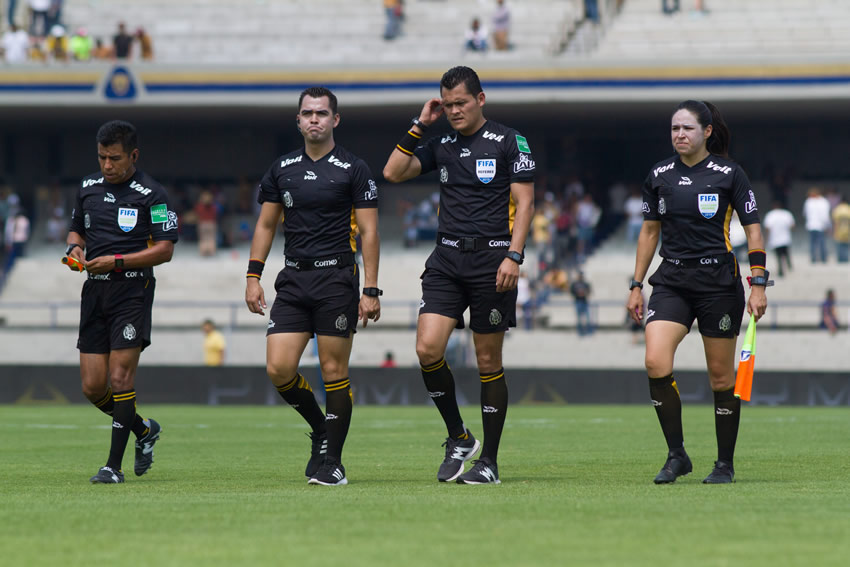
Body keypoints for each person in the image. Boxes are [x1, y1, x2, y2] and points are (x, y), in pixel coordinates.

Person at [383, 66, 535, 484]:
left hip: (493, 262)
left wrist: (514, 255)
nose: (453, 111)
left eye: (461, 103)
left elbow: (525, 203)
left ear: (480, 99)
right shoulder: (442, 143)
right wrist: (419, 124)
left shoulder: (509, 140)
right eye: (447, 105)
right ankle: (458, 436)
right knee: (427, 349)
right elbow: (393, 173)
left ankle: (490, 461)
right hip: (446, 261)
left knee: (488, 359)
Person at [627, 100, 768, 485]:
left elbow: (753, 229)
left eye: (687, 128)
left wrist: (758, 282)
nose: (679, 135)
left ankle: (724, 464)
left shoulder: (730, 174)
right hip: (671, 281)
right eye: (674, 129)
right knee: (655, 362)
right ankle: (677, 455)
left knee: (722, 379)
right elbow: (649, 232)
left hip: (718, 284)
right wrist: (636, 284)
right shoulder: (658, 174)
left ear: (707, 132)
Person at [245, 86, 381, 486]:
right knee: (279, 368)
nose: (315, 119)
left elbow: (370, 232)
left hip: (337, 279)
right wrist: (253, 276)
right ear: (298, 120)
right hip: (293, 278)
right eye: (308, 113)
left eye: (322, 113)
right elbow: (266, 225)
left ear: (335, 120)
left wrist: (370, 289)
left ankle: (334, 462)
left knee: (333, 370)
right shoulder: (281, 168)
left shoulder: (354, 168)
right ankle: (321, 428)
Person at [65, 120, 179, 483]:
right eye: (101, 158)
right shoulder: (87, 188)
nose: (107, 166)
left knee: (119, 377)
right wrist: (75, 247)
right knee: (92, 386)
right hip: (94, 290)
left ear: (133, 155)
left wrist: (116, 261)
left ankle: (112, 467)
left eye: (114, 158)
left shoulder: (153, 194)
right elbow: (76, 228)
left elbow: (165, 249)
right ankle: (143, 429)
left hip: (132, 289)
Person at [762, 200, 795, 276]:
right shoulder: (786, 214)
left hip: (775, 239)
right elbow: (792, 226)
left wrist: (767, 238)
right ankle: (789, 265)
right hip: (785, 238)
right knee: (786, 252)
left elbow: (767, 228)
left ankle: (781, 270)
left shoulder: (770, 215)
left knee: (778, 255)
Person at [802, 187, 831, 264]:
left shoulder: (809, 202)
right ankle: (822, 258)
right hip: (818, 225)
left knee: (814, 243)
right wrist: (827, 224)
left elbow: (805, 213)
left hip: (814, 224)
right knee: (821, 242)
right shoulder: (823, 202)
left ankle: (814, 258)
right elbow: (825, 215)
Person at [569, 271, 593, 336]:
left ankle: (589, 331)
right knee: (579, 318)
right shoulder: (575, 284)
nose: (580, 277)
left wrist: (585, 293)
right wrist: (577, 294)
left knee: (587, 318)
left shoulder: (585, 284)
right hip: (578, 302)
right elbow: (571, 291)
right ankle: (580, 332)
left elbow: (589, 291)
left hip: (584, 302)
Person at [831, 195, 850, 263]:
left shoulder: (837, 209)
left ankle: (840, 259)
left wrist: (834, 231)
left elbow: (835, 222)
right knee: (846, 245)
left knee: (839, 245)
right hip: (847, 229)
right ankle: (846, 258)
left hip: (839, 229)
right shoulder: (848, 208)